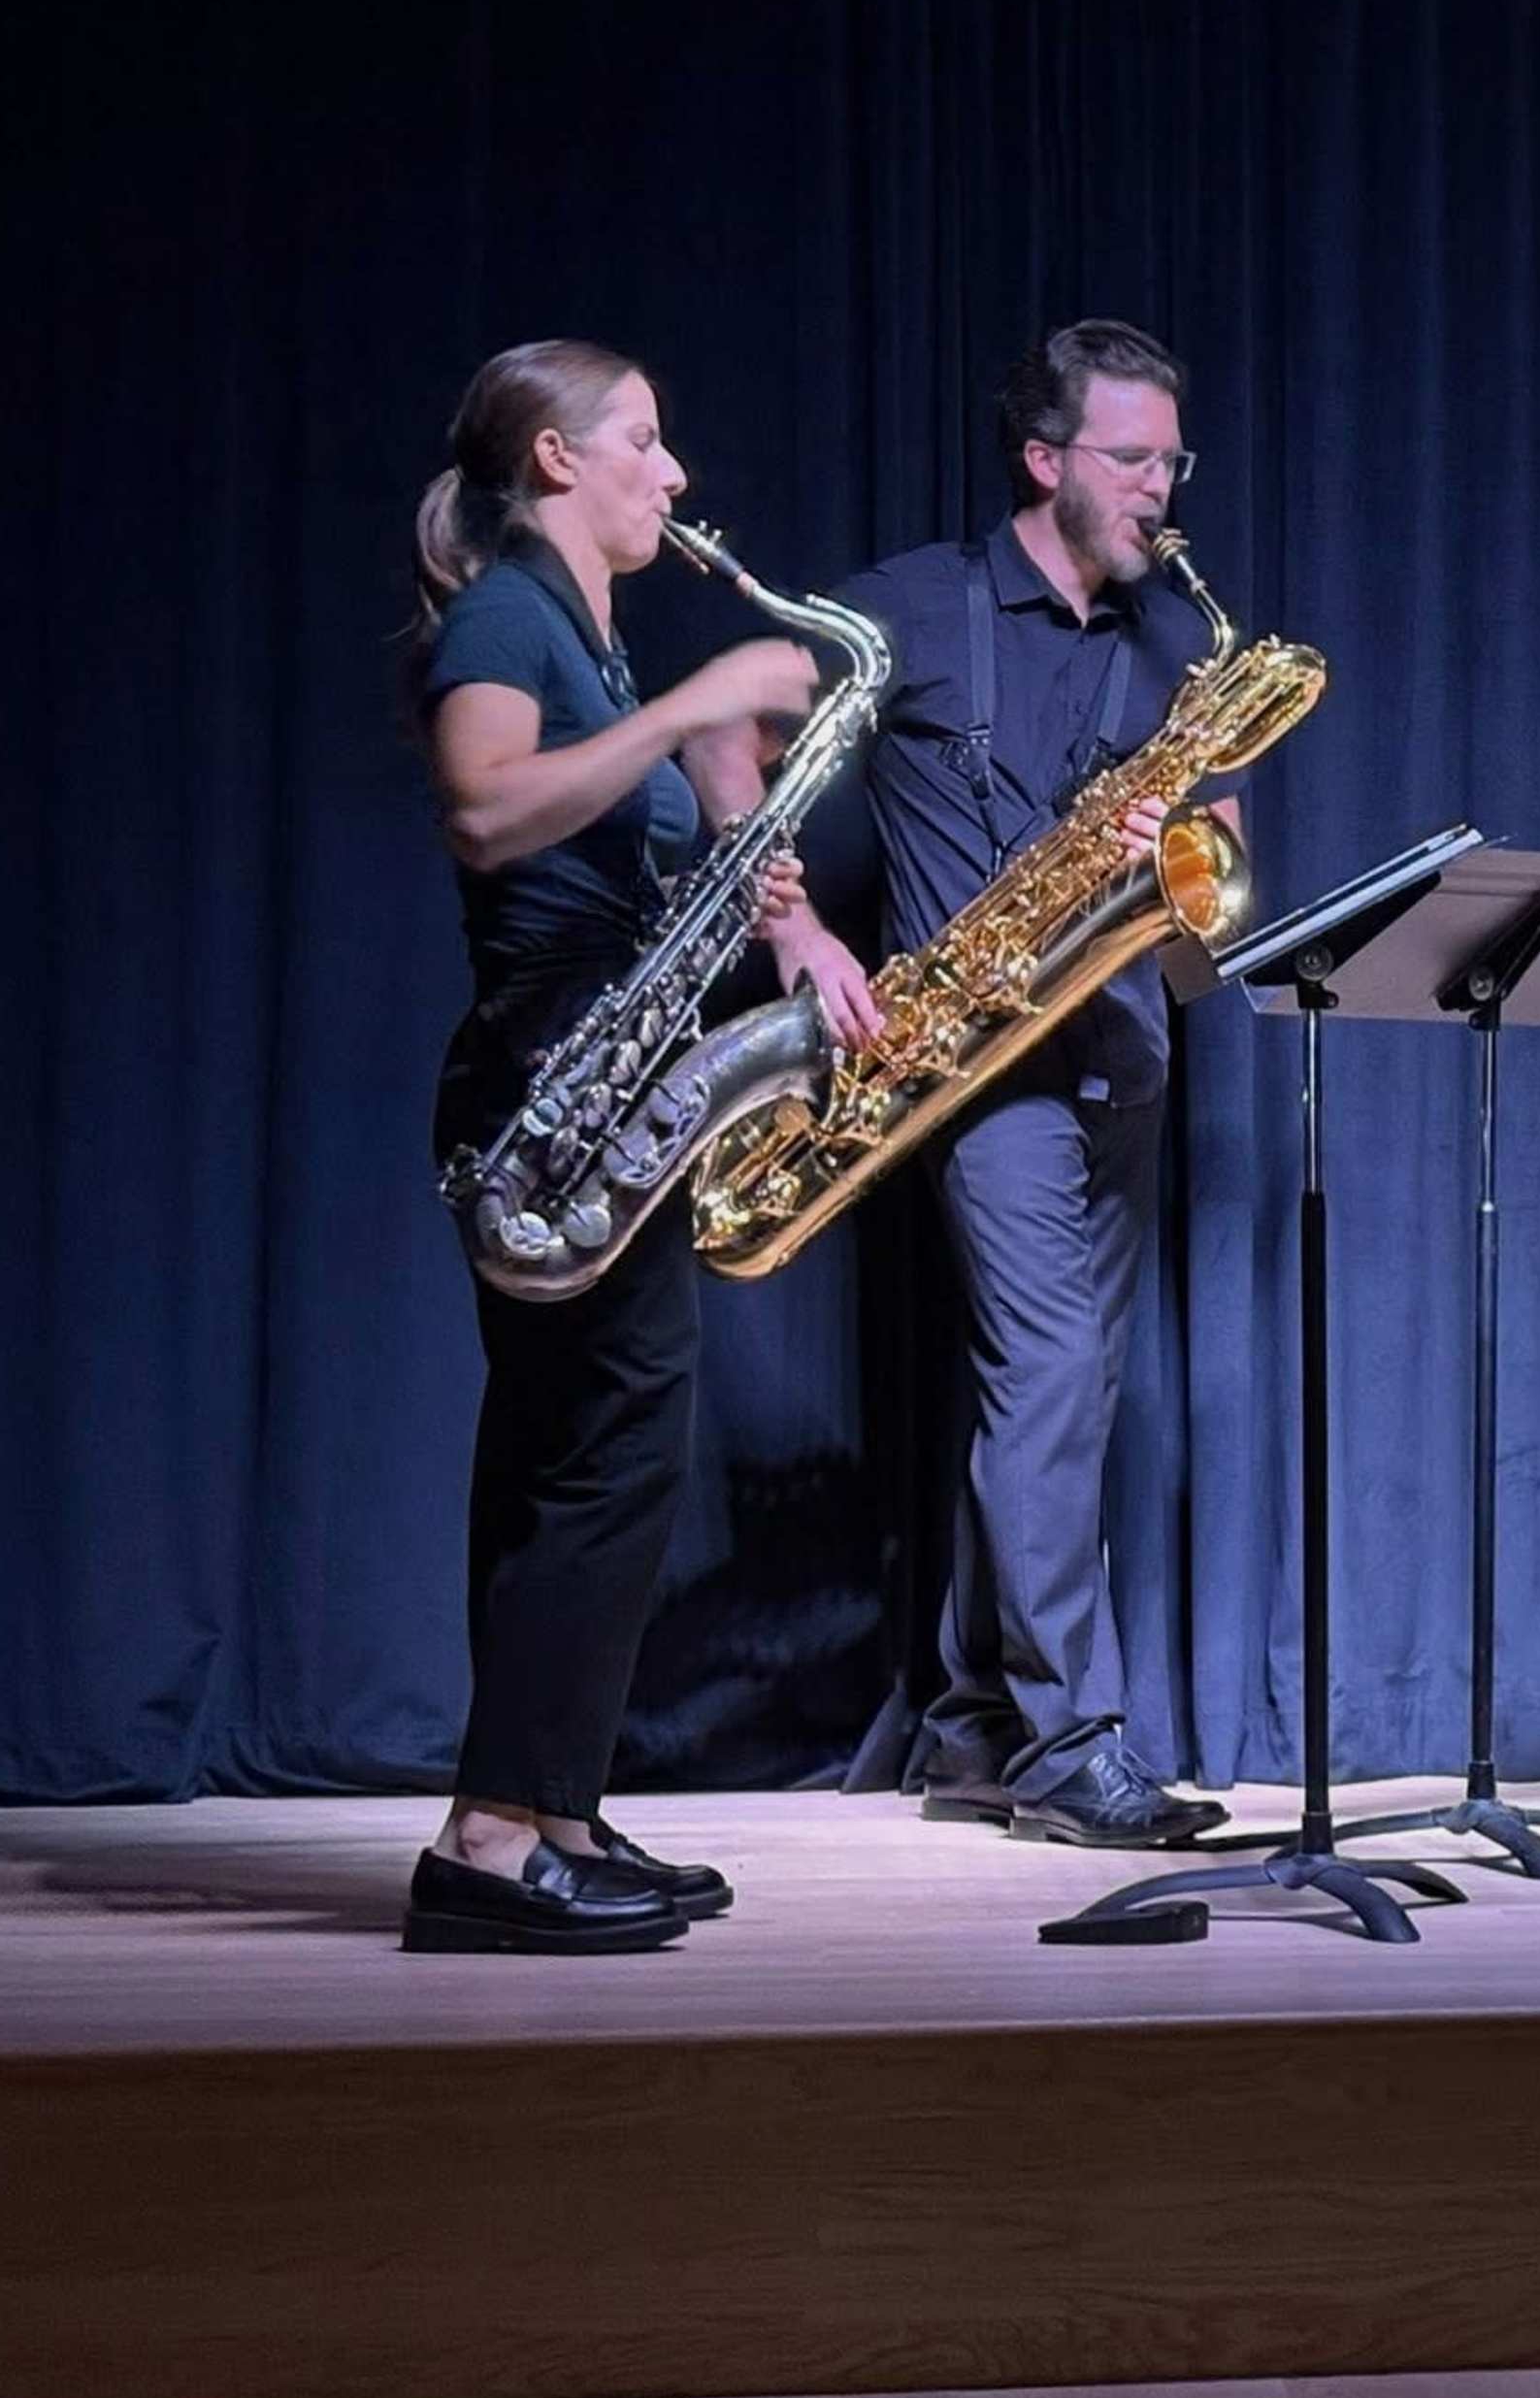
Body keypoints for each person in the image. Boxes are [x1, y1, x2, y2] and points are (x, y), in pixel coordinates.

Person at [740, 321, 1234, 1850]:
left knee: (1062, 1397)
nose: (1162, 489)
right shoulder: (911, 607)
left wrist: (1184, 829)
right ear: (1044, 460)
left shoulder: (1176, 641)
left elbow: (1208, 849)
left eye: (1173, 460)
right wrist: (796, 923)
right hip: (980, 1067)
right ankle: (1073, 1742)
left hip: (1127, 1056)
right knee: (1052, 1387)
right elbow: (734, 717)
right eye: (1133, 459)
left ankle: (970, 1727)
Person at [407, 340, 820, 1953]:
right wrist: (704, 704)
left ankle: (545, 1809)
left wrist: (741, 863)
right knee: (609, 1450)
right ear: (561, 462)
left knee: (572, 1452)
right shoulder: (516, 607)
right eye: (645, 440)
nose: (678, 472)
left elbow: (604, 818)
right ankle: (493, 1840)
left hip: (592, 1062)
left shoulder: (577, 623)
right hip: (551, 1076)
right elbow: (486, 808)